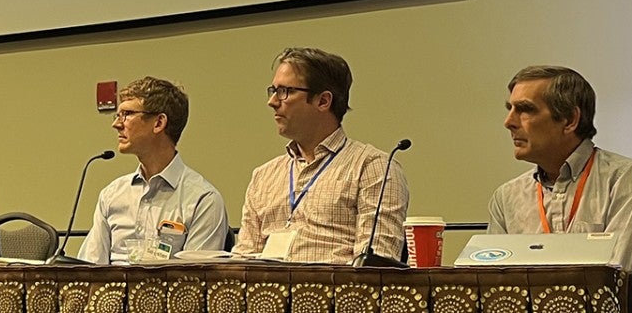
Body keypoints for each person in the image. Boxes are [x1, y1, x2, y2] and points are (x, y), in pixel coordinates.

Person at [488, 66, 632, 294]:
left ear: (569, 120)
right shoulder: (506, 197)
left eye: (525, 109)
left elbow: (610, 284)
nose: (509, 122)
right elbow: (497, 290)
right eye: (510, 109)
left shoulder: (628, 178)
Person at [234, 47, 408, 264]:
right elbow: (242, 264)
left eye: (285, 91)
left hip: (334, 295)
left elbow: (374, 269)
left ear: (323, 101)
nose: (272, 102)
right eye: (273, 90)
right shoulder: (263, 176)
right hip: (266, 295)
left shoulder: (373, 167)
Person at [79, 77, 229, 263]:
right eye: (117, 115)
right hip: (110, 291)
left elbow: (194, 284)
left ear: (159, 123)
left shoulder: (203, 200)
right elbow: (91, 272)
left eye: (127, 114)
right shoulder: (111, 195)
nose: (116, 124)